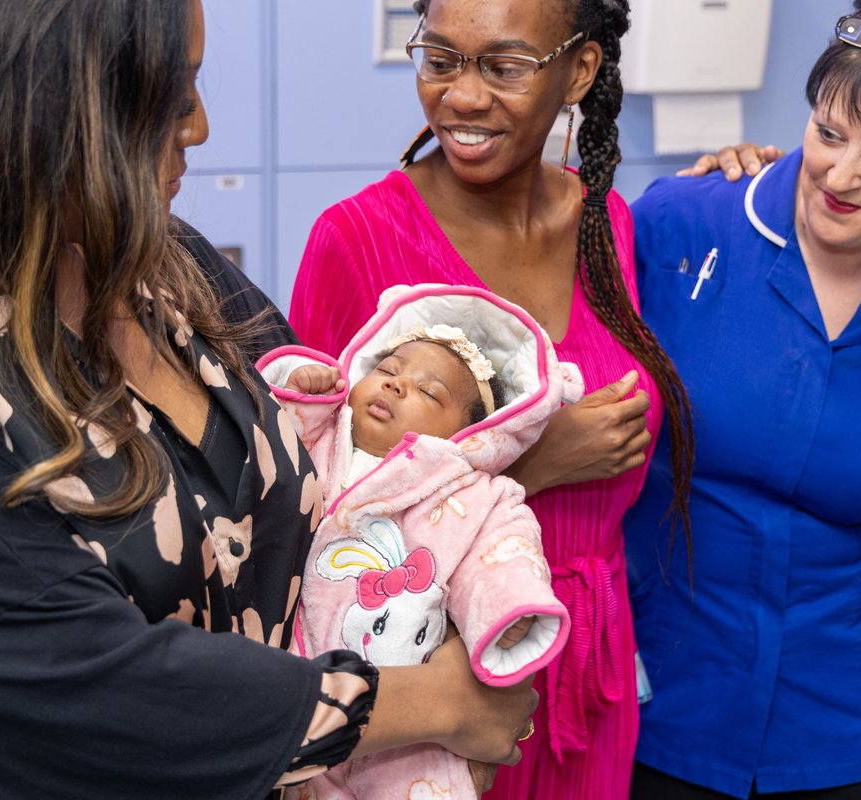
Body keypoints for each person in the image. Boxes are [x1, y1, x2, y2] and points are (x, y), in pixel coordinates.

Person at [0, 1, 541, 797]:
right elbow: (93, 695)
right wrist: (435, 704)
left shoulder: (161, 261)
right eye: (173, 93)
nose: (201, 126)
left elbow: (344, 461)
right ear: (34, 103)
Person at [289, 0, 708, 796]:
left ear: (579, 70)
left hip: (589, 662)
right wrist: (528, 469)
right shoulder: (358, 238)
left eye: (504, 67)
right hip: (431, 687)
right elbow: (315, 505)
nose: (462, 97)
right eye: (440, 60)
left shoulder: (605, 221)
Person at [624, 0, 861, 798]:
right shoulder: (682, 226)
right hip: (660, 704)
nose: (842, 175)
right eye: (828, 133)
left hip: (851, 732)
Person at [262, 284, 579, 798]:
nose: (395, 386)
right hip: (293, 681)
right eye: (386, 371)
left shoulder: (474, 494)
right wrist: (303, 389)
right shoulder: (320, 438)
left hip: (405, 713)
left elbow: (503, 556)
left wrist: (510, 608)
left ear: (474, 432)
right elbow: (264, 441)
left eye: (429, 392)